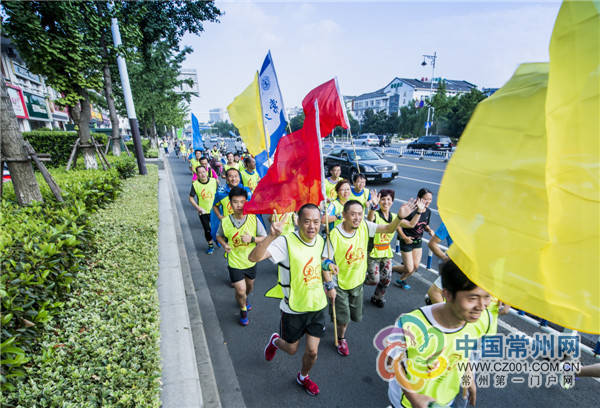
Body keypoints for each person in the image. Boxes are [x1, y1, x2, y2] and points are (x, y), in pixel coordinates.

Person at [248, 204, 337, 396]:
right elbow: (254, 257)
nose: (312, 226)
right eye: (307, 221)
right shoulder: (285, 242)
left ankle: (303, 376)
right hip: (293, 309)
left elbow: (319, 262)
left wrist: (329, 280)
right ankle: (275, 341)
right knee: (291, 349)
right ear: (298, 221)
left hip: (317, 306)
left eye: (316, 221)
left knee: (312, 352)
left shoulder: (321, 240)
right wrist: (271, 236)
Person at [387, 259, 493, 408]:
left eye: (487, 296)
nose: (481, 306)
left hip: (444, 401)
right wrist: (413, 396)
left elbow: (464, 352)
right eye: (472, 298)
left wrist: (468, 377)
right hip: (406, 403)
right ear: (447, 294)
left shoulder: (480, 320)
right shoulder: (410, 325)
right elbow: (392, 362)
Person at [324, 198, 417, 356]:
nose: (357, 218)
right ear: (344, 215)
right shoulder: (334, 234)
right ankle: (341, 339)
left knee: (355, 317)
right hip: (340, 284)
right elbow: (325, 261)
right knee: (344, 318)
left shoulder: (365, 226)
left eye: (360, 214)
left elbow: (388, 229)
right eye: (353, 214)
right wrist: (329, 285)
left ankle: (336, 322)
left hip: (358, 283)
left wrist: (399, 218)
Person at [216, 187, 267, 326]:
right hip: (234, 261)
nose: (239, 205)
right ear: (230, 203)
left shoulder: (253, 219)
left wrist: (252, 239)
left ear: (246, 202)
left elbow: (264, 238)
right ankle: (243, 309)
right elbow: (219, 235)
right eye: (235, 202)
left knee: (249, 287)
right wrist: (224, 245)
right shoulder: (225, 221)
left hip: (250, 260)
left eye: (242, 202)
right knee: (240, 290)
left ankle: (244, 298)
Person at [366, 190, 425, 308]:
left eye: (388, 199)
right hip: (373, 252)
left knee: (386, 279)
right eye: (383, 199)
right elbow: (369, 220)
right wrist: (373, 206)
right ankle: (359, 280)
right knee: (374, 280)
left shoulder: (394, 217)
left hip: (386, 252)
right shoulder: (376, 214)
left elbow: (411, 224)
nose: (385, 202)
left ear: (392, 202)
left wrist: (419, 211)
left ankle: (378, 297)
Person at [393, 188, 435, 290]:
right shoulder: (410, 210)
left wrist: (429, 230)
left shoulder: (428, 211)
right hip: (406, 241)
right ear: (418, 198)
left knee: (415, 267)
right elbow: (398, 225)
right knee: (409, 268)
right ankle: (390, 268)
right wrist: (405, 237)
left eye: (430, 199)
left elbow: (424, 224)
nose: (428, 201)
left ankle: (401, 280)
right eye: (425, 199)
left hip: (417, 242)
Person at [189, 166, 218, 254]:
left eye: (203, 172)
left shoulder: (213, 181)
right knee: (207, 230)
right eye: (200, 173)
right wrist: (198, 208)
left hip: (215, 210)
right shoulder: (195, 184)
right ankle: (210, 246)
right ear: (197, 174)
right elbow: (191, 198)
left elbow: (219, 193)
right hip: (203, 212)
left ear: (206, 172)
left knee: (217, 228)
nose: (202, 174)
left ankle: (217, 238)